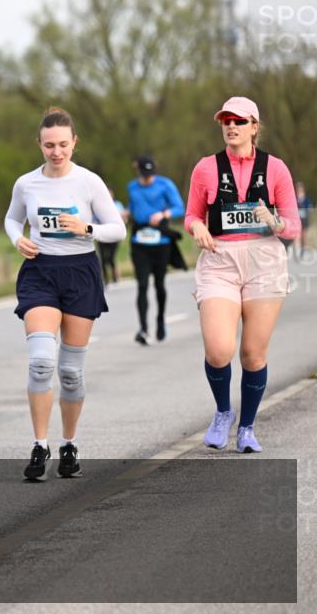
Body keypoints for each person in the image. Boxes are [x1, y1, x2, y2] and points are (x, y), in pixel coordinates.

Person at [4, 107, 125, 480]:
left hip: (80, 273)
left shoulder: (89, 182)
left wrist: (87, 227)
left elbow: (117, 229)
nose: (56, 152)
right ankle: (39, 446)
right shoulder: (27, 184)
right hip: (40, 272)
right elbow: (12, 218)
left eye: (62, 144)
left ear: (74, 142)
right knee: (41, 362)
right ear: (39, 145)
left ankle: (68, 443)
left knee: (70, 372)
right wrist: (18, 239)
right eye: (48, 145)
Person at [186, 97, 300, 453]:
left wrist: (275, 221)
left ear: (254, 126)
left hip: (264, 261)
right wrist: (197, 229)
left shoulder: (276, 168)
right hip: (220, 260)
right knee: (219, 350)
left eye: (239, 120)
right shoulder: (205, 168)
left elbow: (293, 228)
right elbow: (191, 214)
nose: (231, 126)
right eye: (226, 120)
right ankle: (223, 412)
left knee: (252, 354)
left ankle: (247, 428)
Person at [127, 155, 186, 344]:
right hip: (139, 240)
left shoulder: (165, 184)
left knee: (159, 284)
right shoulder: (132, 187)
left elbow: (179, 208)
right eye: (145, 175)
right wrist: (126, 214)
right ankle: (143, 329)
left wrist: (163, 214)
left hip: (160, 241)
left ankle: (160, 320)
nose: (148, 178)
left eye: (150, 174)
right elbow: (134, 208)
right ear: (138, 171)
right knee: (142, 285)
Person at [95, 189, 127, 284]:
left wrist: (123, 233)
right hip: (102, 234)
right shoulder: (98, 205)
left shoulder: (117, 205)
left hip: (113, 235)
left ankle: (115, 277)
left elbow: (123, 219)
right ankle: (106, 279)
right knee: (103, 258)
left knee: (111, 257)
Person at [295, 181, 312, 260]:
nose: (299, 189)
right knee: (297, 236)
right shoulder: (295, 198)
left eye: (300, 188)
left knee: (304, 237)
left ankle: (303, 251)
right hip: (297, 220)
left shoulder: (306, 199)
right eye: (298, 188)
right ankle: (297, 253)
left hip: (304, 220)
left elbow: (310, 209)